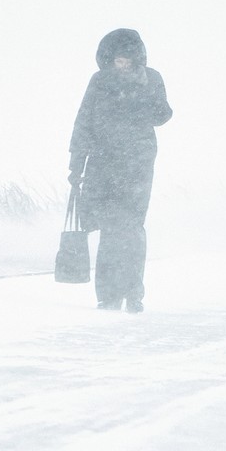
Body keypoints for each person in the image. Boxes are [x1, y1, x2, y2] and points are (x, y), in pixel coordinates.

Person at [68, 28, 172, 312]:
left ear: (136, 57)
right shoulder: (99, 82)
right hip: (102, 164)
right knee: (110, 231)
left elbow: (163, 115)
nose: (121, 63)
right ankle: (108, 296)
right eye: (117, 58)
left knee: (132, 229)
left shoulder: (151, 79)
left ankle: (134, 294)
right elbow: (83, 121)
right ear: (109, 57)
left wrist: (140, 99)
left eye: (126, 58)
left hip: (137, 165)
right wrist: (76, 164)